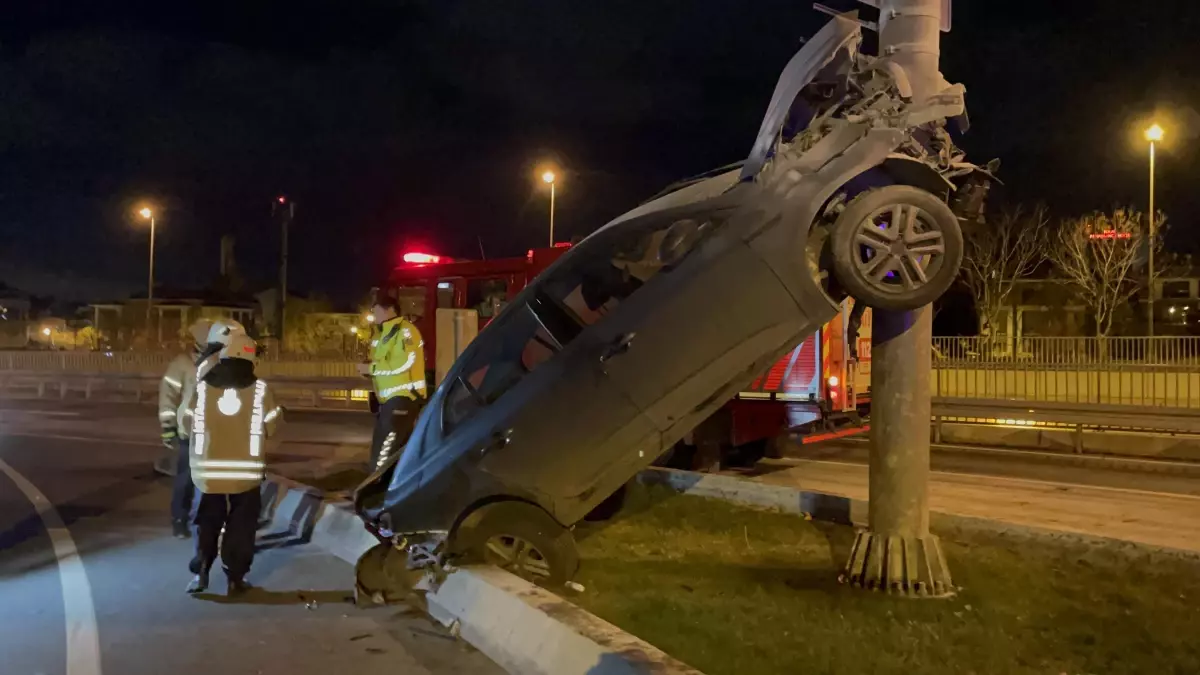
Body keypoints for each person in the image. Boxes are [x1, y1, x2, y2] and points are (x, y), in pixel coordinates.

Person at [186, 331, 280, 596]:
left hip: (207, 473)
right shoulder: (261, 390)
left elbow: (185, 421)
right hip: (246, 474)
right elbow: (273, 425)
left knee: (206, 521)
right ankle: (235, 579)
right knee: (241, 526)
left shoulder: (202, 387)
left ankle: (202, 571)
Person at [158, 319, 214, 538]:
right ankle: (179, 520)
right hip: (189, 432)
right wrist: (168, 427)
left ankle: (207, 519)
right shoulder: (182, 364)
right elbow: (168, 396)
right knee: (187, 478)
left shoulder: (222, 362)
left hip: (215, 433)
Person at [366, 296, 427, 472]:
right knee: (396, 451)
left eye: (376, 310)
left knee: (384, 450)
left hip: (403, 397)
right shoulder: (382, 333)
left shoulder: (405, 331)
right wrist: (369, 368)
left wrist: (372, 368)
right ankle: (394, 490)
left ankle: (375, 492)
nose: (374, 315)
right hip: (389, 400)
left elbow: (405, 362)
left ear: (389, 309)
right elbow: (382, 364)